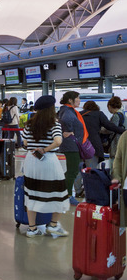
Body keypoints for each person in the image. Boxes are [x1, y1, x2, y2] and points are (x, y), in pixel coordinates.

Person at [20, 95, 69, 237]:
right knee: (58, 193)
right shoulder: (54, 123)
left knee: (31, 193)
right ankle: (53, 225)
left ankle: (32, 228)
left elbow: (25, 143)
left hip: (31, 161)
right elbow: (58, 141)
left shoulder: (29, 124)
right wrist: (45, 149)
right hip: (48, 161)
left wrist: (36, 147)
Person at [58, 91, 84, 206]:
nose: (79, 100)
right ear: (70, 100)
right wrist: (68, 131)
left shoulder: (67, 110)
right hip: (71, 145)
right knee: (73, 170)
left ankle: (61, 190)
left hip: (73, 144)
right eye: (77, 98)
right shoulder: (67, 111)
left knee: (72, 169)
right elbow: (65, 120)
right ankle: (67, 195)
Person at [110, 131, 127, 226]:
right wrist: (117, 176)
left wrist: (117, 176)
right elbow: (118, 159)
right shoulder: (125, 137)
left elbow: (118, 159)